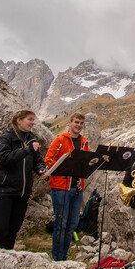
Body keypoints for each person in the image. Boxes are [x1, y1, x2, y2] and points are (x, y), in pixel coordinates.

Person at [0, 109, 46, 249]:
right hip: (3, 191)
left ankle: (7, 257)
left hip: (22, 193)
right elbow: (3, 158)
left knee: (13, 231)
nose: (32, 123)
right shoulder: (6, 137)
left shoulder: (31, 139)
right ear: (18, 120)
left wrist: (40, 168)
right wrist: (26, 150)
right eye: (29, 119)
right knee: (0, 230)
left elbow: (37, 160)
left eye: (33, 120)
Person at [45, 112, 90, 261]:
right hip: (61, 188)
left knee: (72, 224)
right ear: (70, 123)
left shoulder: (84, 142)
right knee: (61, 224)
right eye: (76, 122)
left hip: (77, 188)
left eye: (81, 123)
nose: (78, 125)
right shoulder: (59, 140)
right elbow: (48, 161)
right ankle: (58, 258)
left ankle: (64, 255)